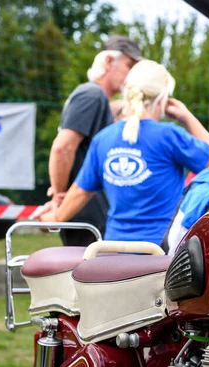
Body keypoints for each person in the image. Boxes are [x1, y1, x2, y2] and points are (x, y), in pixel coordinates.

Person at [39, 60, 209, 246]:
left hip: (113, 253)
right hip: (161, 252)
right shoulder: (169, 136)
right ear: (163, 98)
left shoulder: (103, 139)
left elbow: (80, 192)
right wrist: (187, 117)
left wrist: (54, 217)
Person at [46, 35, 143, 247]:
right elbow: (62, 147)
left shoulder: (95, 98)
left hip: (90, 215)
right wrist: (59, 197)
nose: (132, 75)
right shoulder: (91, 95)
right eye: (129, 66)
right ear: (109, 62)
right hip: (88, 217)